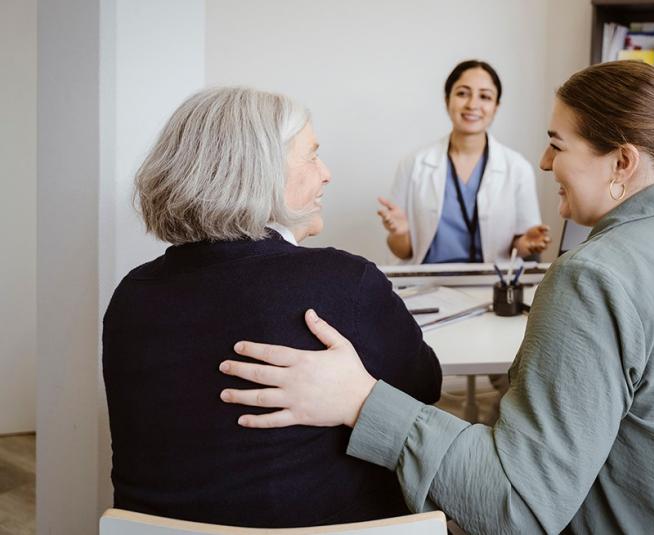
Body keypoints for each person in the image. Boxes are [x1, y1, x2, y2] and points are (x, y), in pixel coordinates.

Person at [217, 62, 654, 533]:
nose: (545, 162)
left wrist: (362, 402)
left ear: (623, 163)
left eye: (557, 145)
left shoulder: (596, 277)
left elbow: (518, 506)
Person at [102, 87, 442, 528]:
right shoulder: (344, 282)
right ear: (261, 171)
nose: (326, 174)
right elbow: (425, 387)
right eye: (312, 155)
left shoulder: (131, 296)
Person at [377, 59, 551, 263]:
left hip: (492, 280)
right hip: (428, 280)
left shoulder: (518, 168)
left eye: (485, 96)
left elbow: (519, 245)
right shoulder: (413, 164)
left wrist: (527, 244)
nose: (472, 105)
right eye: (462, 93)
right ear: (447, 100)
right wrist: (399, 233)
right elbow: (403, 252)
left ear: (496, 107)